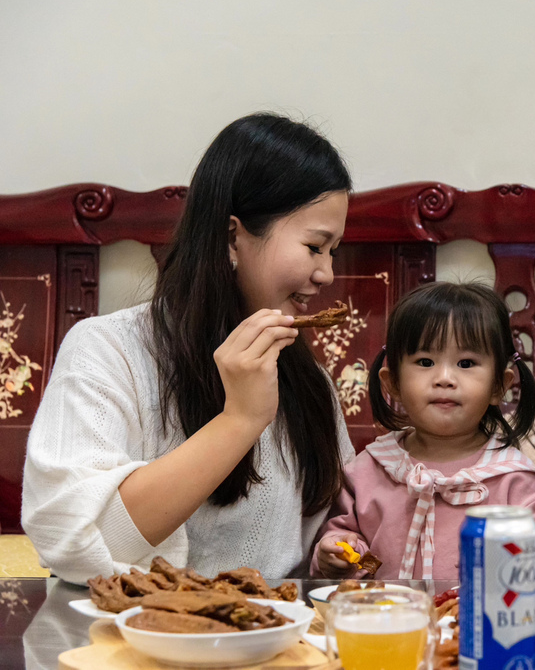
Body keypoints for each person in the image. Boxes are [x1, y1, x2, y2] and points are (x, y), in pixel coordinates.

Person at [21, 113, 355, 584]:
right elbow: (78, 541)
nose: (327, 275)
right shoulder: (107, 351)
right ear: (231, 235)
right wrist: (238, 420)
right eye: (315, 246)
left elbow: (340, 527)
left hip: (279, 644)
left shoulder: (308, 379)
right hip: (135, 641)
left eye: (333, 250)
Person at [312, 282, 535, 580]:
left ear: (499, 386)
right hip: (384, 622)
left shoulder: (515, 480)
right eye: (425, 362)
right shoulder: (369, 470)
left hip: (480, 624)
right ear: (393, 385)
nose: (444, 378)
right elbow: (344, 542)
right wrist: (337, 554)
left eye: (466, 363)